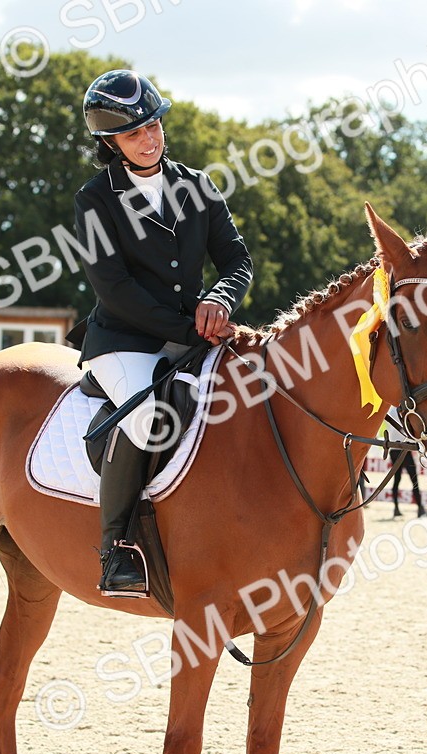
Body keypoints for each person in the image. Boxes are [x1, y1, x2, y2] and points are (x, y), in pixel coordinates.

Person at [67, 69, 253, 597]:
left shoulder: (197, 185)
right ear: (110, 142)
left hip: (195, 334)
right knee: (150, 420)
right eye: (134, 133)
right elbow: (115, 289)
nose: (149, 139)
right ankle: (115, 549)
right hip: (124, 340)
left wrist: (219, 299)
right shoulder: (95, 201)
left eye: (154, 126)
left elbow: (237, 260)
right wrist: (193, 329)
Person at [389, 447, 426, 519]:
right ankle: (420, 507)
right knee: (414, 480)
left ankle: (396, 508)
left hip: (393, 450)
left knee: (396, 480)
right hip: (404, 449)